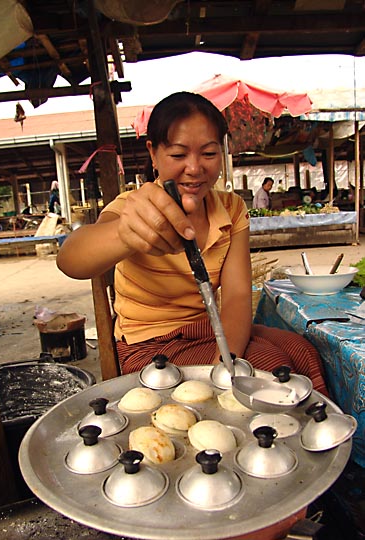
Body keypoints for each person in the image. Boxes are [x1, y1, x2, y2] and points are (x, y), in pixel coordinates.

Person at [57, 91, 327, 394]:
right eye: (178, 155)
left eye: (209, 154)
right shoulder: (134, 208)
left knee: (303, 351)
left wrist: (225, 360)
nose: (195, 168)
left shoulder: (232, 208)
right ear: (154, 153)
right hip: (149, 346)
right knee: (271, 366)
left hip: (209, 330)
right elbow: (70, 259)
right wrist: (124, 233)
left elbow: (237, 295)